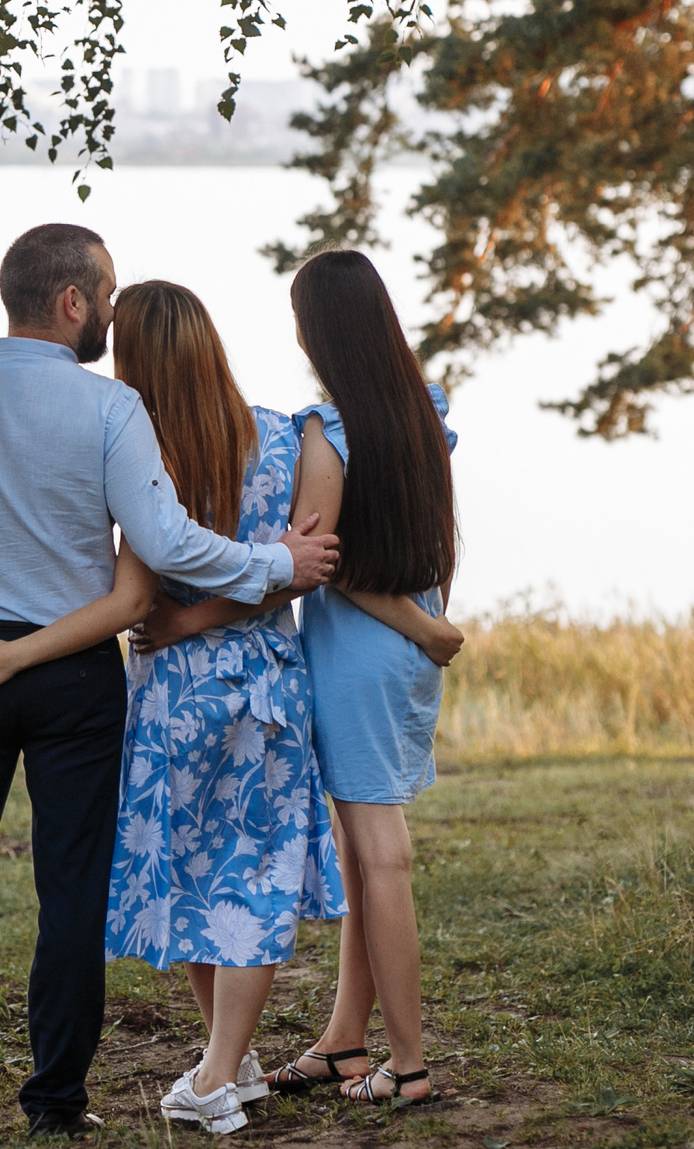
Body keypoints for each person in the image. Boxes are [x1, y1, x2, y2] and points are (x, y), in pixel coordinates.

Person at [0, 224, 343, 1138]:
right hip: (76, 670)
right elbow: (162, 549)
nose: (113, 316)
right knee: (70, 887)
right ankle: (55, 1103)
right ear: (73, 302)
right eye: (107, 297)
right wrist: (272, 561)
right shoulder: (111, 412)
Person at [265, 249, 462, 1109]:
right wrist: (425, 620)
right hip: (406, 650)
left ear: (318, 331)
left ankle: (410, 1061)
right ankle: (347, 1038)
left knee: (379, 854)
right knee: (358, 849)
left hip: (360, 653)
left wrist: (414, 622)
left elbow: (319, 563)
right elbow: (439, 538)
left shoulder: (326, 431)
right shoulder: (424, 412)